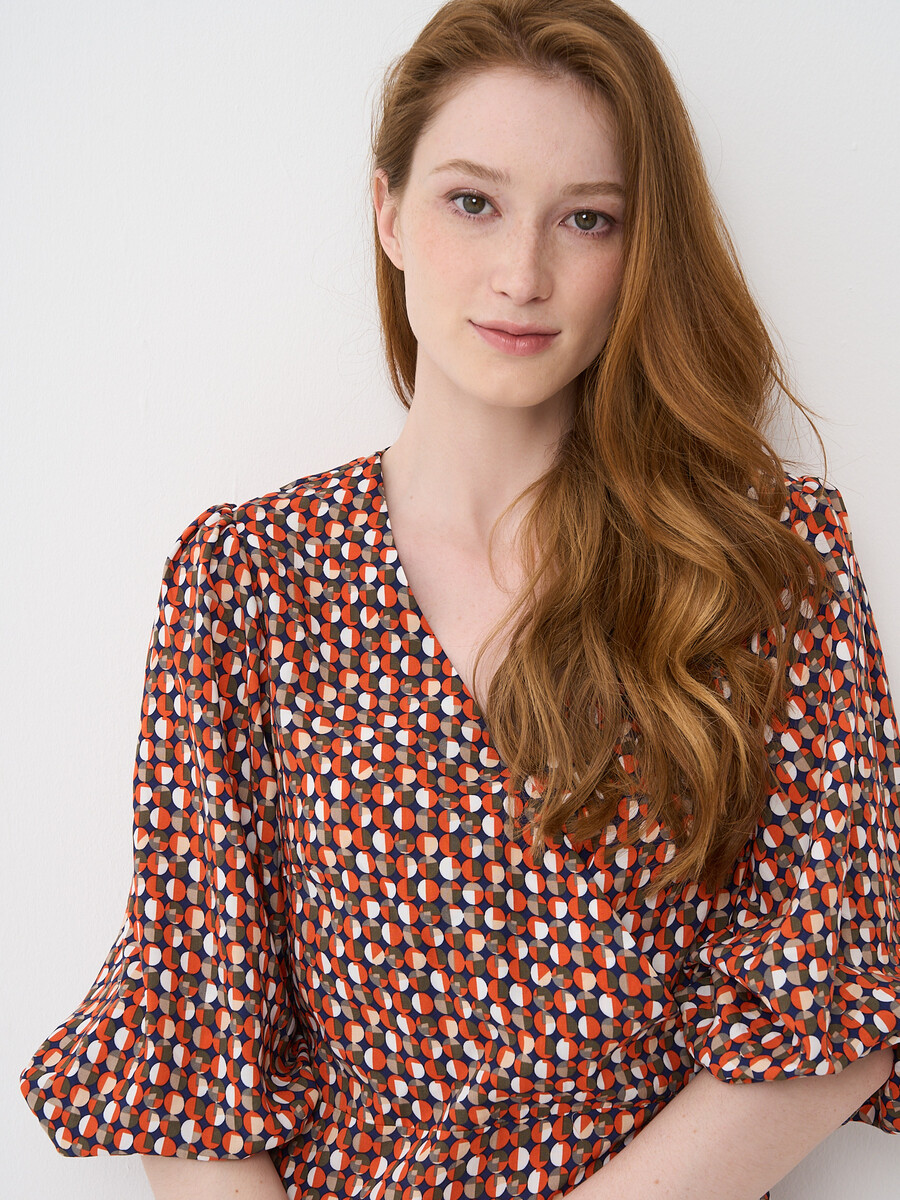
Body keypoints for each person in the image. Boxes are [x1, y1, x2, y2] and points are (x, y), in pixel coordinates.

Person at [20, 1, 899, 1198]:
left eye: (586, 219)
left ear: (640, 249)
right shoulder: (249, 580)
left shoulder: (762, 558)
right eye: (472, 202)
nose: (522, 275)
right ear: (388, 212)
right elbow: (196, 1043)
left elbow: (836, 993)